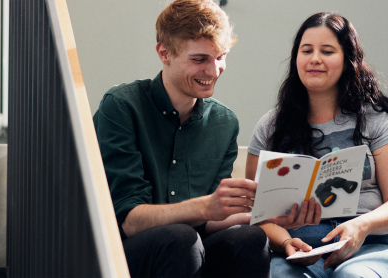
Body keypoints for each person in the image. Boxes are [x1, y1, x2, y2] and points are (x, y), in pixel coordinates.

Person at [92, 0, 316, 276]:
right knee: (181, 238)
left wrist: (266, 217)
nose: (213, 71)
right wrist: (206, 206)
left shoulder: (224, 123)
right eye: (199, 59)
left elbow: (208, 222)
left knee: (250, 238)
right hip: (124, 253)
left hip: (189, 250)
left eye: (220, 56)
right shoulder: (121, 107)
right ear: (164, 53)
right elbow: (130, 222)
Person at [245, 12, 388, 277]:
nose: (315, 59)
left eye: (327, 51)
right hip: (299, 250)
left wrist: (362, 226)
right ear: (296, 59)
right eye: (307, 51)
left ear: (348, 60)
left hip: (372, 246)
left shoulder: (378, 120)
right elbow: (257, 212)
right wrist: (285, 242)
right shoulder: (271, 126)